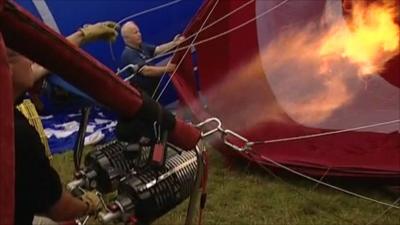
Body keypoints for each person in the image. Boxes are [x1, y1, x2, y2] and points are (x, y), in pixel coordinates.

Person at [8, 21, 119, 224]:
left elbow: (43, 64)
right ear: (7, 70)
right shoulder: (18, 134)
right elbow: (59, 209)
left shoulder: (9, 111)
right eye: (22, 55)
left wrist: (83, 36)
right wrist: (88, 204)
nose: (29, 61)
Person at [120, 21, 185, 97]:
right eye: (135, 33)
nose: (139, 34)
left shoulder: (142, 46)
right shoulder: (128, 54)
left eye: (138, 31)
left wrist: (175, 43)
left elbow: (157, 50)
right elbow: (146, 71)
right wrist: (167, 69)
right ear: (127, 38)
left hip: (154, 92)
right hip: (145, 97)